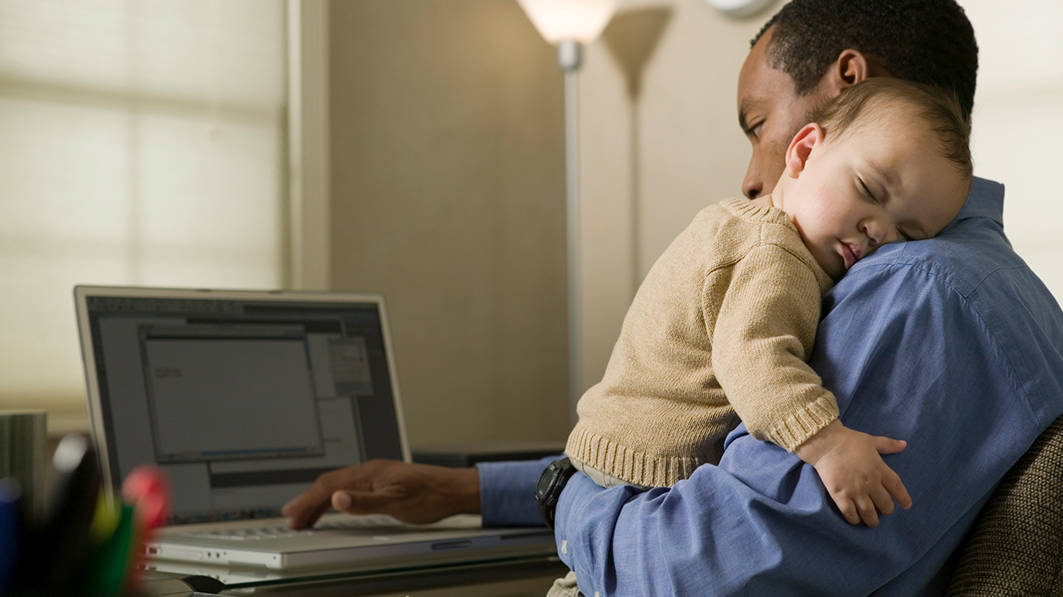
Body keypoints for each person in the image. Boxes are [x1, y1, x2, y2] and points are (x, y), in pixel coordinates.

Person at [283, 1, 1063, 594]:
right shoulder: (940, 269)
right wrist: (472, 490)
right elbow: (702, 443)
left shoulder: (914, 293)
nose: (750, 178)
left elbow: (702, 567)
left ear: (842, 91)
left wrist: (572, 501)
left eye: (756, 123)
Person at [565, 78, 971, 533]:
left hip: (612, 445)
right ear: (802, 154)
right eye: (869, 191)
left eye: (908, 234)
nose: (879, 230)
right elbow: (752, 359)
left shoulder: (747, 225)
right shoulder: (776, 255)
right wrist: (828, 444)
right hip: (649, 466)